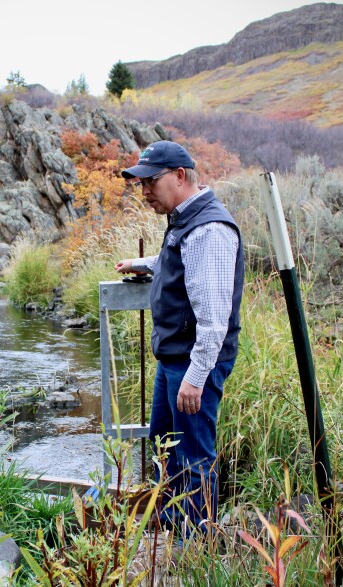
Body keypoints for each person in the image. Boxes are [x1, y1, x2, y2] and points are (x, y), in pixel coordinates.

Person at [115, 140, 244, 536]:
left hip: (193, 361)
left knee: (192, 455)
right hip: (176, 357)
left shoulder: (208, 228)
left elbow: (214, 318)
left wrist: (196, 374)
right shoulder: (187, 221)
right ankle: (173, 527)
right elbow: (182, 263)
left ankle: (196, 545)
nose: (145, 192)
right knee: (164, 446)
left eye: (151, 181)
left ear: (180, 176)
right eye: (140, 184)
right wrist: (143, 265)